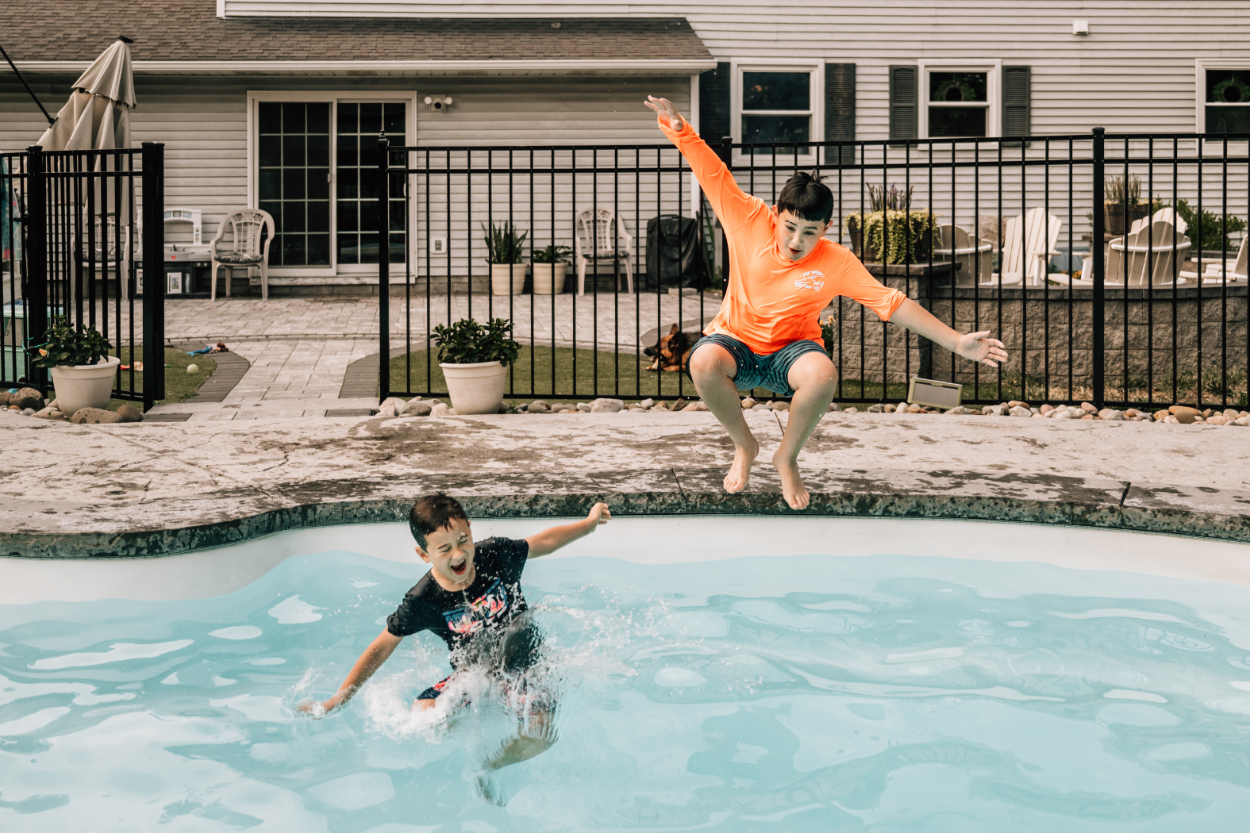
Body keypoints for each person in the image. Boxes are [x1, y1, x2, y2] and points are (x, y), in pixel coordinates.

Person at [645, 96, 1009, 510]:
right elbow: (713, 174)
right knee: (701, 361)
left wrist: (957, 341)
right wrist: (679, 129)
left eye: (810, 232)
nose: (797, 242)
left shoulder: (836, 260)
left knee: (823, 374)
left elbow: (891, 302)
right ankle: (745, 444)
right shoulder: (747, 218)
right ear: (777, 213)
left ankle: (787, 456)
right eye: (789, 227)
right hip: (736, 343)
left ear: (827, 228)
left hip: (791, 352)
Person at [300, 493, 612, 773]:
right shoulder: (423, 599)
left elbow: (543, 542)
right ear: (424, 555)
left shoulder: (496, 556)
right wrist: (337, 699)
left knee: (540, 736)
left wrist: (589, 523)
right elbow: (382, 646)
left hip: (524, 668)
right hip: (475, 673)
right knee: (423, 716)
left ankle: (493, 764)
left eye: (463, 541)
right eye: (444, 548)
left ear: (471, 531)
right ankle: (468, 741)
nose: (458, 554)